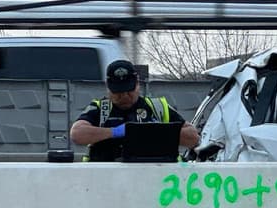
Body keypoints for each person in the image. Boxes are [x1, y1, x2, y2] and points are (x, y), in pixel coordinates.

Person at [70, 60, 201, 162]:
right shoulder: (100, 108)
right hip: (107, 181)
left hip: (154, 179)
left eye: (129, 90)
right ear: (108, 88)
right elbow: (77, 134)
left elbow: (193, 138)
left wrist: (156, 133)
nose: (125, 96)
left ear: (137, 83)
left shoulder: (157, 107)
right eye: (118, 92)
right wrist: (114, 132)